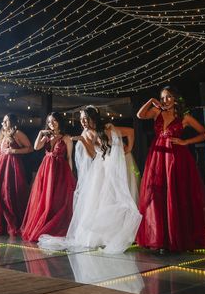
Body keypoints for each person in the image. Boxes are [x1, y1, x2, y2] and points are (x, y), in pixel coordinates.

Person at [38, 106, 142, 253]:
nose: (84, 122)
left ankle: (122, 233)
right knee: (101, 199)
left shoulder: (106, 127)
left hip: (118, 163)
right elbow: (93, 154)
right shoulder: (85, 133)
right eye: (81, 120)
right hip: (102, 165)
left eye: (86, 119)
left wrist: (129, 149)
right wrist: (82, 140)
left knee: (120, 196)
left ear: (93, 118)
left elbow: (130, 132)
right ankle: (105, 235)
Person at [135, 86, 205, 252]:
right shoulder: (157, 113)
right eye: (162, 97)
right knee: (157, 195)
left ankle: (176, 237)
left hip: (175, 158)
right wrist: (151, 101)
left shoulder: (185, 117)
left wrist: (186, 142)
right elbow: (140, 115)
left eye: (168, 97)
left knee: (175, 194)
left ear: (176, 99)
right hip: (157, 156)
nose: (165, 100)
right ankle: (159, 237)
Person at [21, 112, 76, 242]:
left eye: (54, 121)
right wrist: (41, 133)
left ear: (59, 122)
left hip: (60, 170)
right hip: (46, 170)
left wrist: (70, 175)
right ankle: (44, 225)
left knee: (57, 199)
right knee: (45, 198)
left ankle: (56, 227)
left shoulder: (66, 137)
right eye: (50, 122)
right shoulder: (46, 137)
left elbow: (69, 158)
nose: (52, 124)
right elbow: (36, 147)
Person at [0, 114, 32, 236]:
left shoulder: (17, 133)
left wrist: (13, 151)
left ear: (12, 122)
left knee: (9, 196)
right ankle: (1, 225)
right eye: (2, 121)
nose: (3, 123)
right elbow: (2, 153)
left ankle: (14, 225)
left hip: (12, 167)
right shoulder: (2, 136)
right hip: (1, 167)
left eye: (6, 121)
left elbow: (29, 148)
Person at [107, 122, 140, 206]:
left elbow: (131, 131)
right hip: (109, 162)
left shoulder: (109, 129)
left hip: (123, 158)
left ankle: (131, 204)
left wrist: (129, 148)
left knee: (130, 177)